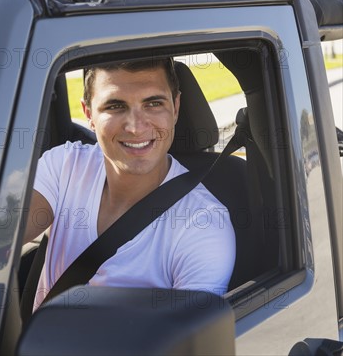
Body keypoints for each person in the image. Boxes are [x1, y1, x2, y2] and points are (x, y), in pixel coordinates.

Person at [23, 58, 235, 311]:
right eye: (115, 106)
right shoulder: (64, 165)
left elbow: (190, 342)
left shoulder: (203, 225)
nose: (135, 127)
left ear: (176, 107)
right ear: (89, 113)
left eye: (153, 103)